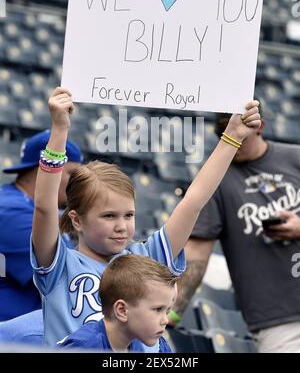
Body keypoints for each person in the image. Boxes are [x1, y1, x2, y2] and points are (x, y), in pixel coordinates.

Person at [31, 87, 260, 347]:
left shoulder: (146, 260)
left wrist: (232, 137)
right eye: (108, 216)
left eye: (128, 215)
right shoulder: (59, 265)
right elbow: (44, 207)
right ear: (77, 220)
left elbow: (193, 202)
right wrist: (60, 129)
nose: (121, 226)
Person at [171, 112, 300, 353]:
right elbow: (197, 255)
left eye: (242, 133)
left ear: (259, 126)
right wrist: (174, 312)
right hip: (276, 320)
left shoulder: (294, 157)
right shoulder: (216, 178)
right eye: (224, 133)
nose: (234, 139)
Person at [0, 130, 83, 322]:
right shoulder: (9, 211)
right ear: (45, 170)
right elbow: (68, 278)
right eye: (72, 174)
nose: (78, 185)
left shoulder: (32, 206)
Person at [58, 255, 177, 352]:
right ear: (122, 310)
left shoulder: (156, 345)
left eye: (167, 311)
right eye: (158, 309)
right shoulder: (83, 348)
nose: (165, 320)